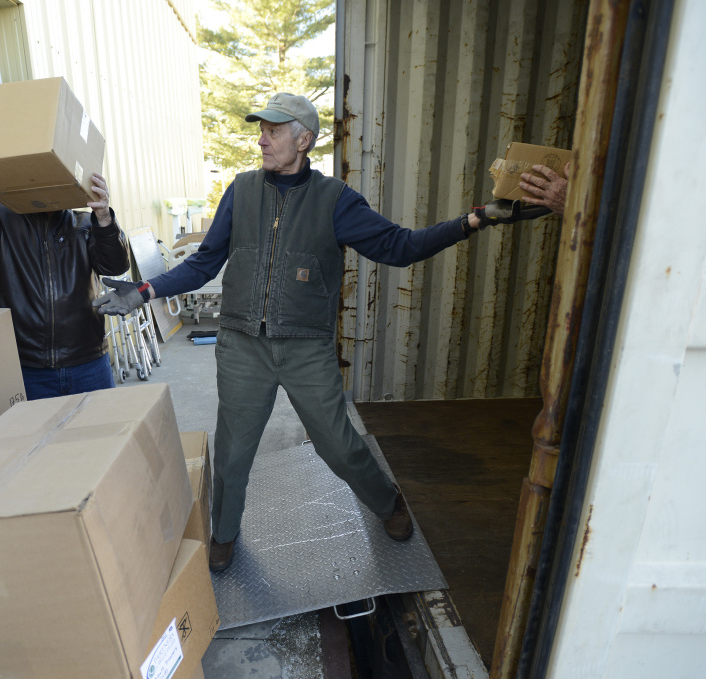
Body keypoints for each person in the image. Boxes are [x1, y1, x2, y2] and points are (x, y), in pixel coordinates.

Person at [95, 93, 534, 573]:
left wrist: (475, 219)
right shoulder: (240, 192)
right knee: (232, 450)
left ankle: (389, 504)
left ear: (303, 139)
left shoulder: (336, 201)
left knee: (338, 444)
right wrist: (143, 291)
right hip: (243, 344)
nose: (262, 139)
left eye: (274, 131)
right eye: (260, 130)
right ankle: (224, 533)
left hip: (306, 348)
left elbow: (400, 247)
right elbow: (203, 263)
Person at [0, 107, 130, 400]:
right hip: (27, 367)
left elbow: (115, 265)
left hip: (88, 362)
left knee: (98, 439)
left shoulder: (83, 223)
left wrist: (104, 217)